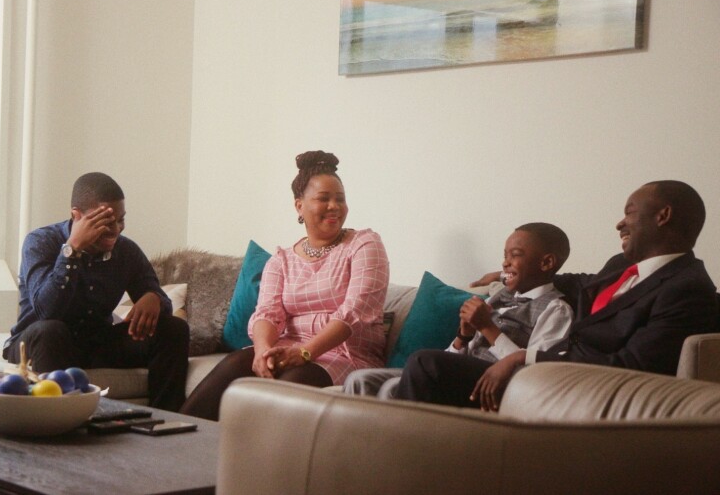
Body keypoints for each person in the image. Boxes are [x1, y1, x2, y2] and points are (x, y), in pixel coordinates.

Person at [403, 180, 719, 412]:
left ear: (663, 216)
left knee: (427, 365)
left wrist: (524, 357)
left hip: (578, 385)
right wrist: (504, 275)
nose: (620, 223)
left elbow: (632, 365)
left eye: (630, 212)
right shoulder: (620, 266)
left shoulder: (687, 289)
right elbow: (568, 280)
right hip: (547, 372)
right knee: (404, 375)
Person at [179, 150, 390, 420]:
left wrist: (305, 352)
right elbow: (267, 313)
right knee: (234, 365)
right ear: (299, 206)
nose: (334, 206)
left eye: (340, 199)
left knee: (289, 384)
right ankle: (174, 434)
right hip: (287, 348)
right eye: (323, 198)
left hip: (344, 355)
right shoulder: (282, 260)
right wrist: (262, 351)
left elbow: (355, 312)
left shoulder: (364, 244)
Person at [3, 172, 190, 411]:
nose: (115, 230)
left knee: (173, 329)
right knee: (51, 330)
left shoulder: (126, 251)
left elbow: (158, 300)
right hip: (38, 343)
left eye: (120, 220)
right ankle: (56, 422)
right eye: (105, 221)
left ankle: (165, 419)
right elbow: (46, 310)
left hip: (95, 342)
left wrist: (153, 298)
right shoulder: (41, 242)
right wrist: (72, 250)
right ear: (77, 216)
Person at [345, 222, 574, 400]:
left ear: (546, 263)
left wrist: (487, 327)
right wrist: (462, 337)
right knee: (361, 380)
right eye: (505, 255)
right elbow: (455, 357)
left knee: (420, 363)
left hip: (493, 384)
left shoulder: (556, 309)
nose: (505, 263)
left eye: (515, 255)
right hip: (462, 373)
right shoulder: (499, 296)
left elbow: (535, 372)